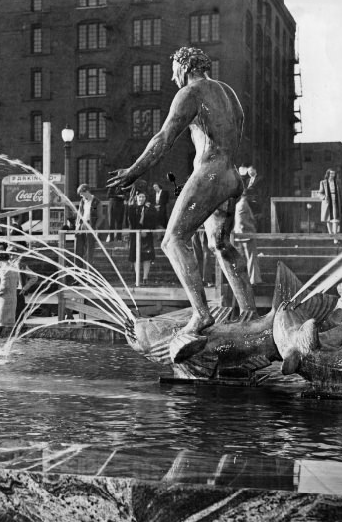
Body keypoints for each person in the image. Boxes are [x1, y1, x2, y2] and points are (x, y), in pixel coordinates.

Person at [107, 47, 256, 341]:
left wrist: (134, 171)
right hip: (231, 175)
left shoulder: (190, 93)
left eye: (174, 69)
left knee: (173, 239)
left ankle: (201, 314)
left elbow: (164, 137)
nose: (172, 77)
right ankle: (249, 313)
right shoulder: (229, 93)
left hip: (210, 173)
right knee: (222, 244)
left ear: (184, 67)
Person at [234, 171, 263, 285]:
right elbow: (243, 221)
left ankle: (247, 279)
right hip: (246, 234)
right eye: (252, 196)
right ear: (247, 196)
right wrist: (253, 225)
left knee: (245, 259)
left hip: (241, 235)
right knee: (251, 258)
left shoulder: (239, 205)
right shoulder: (243, 205)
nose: (254, 198)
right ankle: (254, 280)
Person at [126, 192, 157, 285]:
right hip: (135, 235)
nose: (141, 198)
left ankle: (145, 278)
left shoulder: (150, 208)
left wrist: (146, 230)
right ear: (136, 197)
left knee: (147, 257)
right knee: (136, 256)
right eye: (140, 197)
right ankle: (137, 277)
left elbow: (154, 220)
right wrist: (139, 230)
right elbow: (130, 222)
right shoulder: (132, 208)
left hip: (147, 235)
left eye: (143, 196)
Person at [74, 184, 104, 270]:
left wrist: (95, 227)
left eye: (82, 193)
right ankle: (78, 274)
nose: (81, 195)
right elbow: (79, 214)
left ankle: (88, 274)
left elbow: (100, 216)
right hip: (81, 225)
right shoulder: (82, 201)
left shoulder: (96, 202)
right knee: (78, 250)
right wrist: (77, 226)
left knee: (89, 251)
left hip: (90, 226)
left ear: (87, 191)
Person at [0, 252, 19, 327]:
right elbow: (17, 283)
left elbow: (4, 285)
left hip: (4, 300)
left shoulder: (4, 270)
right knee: (9, 323)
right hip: (12, 298)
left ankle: (2, 337)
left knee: (1, 322)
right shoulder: (14, 268)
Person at [318, 168, 342, 235]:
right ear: (328, 174)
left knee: (335, 218)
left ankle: (335, 236)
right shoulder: (323, 182)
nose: (332, 175)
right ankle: (331, 234)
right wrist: (324, 197)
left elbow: (341, 192)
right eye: (331, 173)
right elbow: (320, 193)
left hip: (336, 201)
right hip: (327, 202)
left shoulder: (337, 182)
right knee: (328, 219)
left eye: (334, 173)